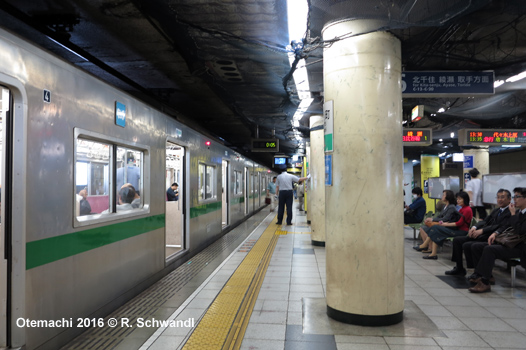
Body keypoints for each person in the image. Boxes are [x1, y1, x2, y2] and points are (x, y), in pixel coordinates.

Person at [468, 187, 526, 293]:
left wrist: (512, 214)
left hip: (520, 247)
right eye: (514, 197)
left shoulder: (516, 213)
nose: (515, 199)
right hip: (510, 243)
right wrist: (496, 233)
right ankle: (482, 275)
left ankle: (485, 282)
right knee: (477, 246)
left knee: (490, 249)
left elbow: (520, 231)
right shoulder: (519, 213)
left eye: (518, 197)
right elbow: (506, 226)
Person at [445, 189, 512, 276]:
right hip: (484, 234)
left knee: (470, 245)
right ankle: (459, 268)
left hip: (492, 236)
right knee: (457, 240)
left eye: (502, 197)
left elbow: (499, 226)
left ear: (509, 199)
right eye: (498, 197)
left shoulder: (511, 212)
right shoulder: (496, 210)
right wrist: (474, 227)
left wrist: (482, 231)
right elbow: (485, 221)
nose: (499, 199)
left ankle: (478, 271)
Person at [422, 191, 473, 260]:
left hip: (461, 231)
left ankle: (429, 249)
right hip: (456, 229)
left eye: (460, 199)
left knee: (436, 228)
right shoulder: (462, 208)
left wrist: (444, 224)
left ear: (465, 199)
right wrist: (444, 224)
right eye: (457, 199)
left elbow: (459, 223)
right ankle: (432, 252)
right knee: (435, 228)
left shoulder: (467, 209)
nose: (458, 201)